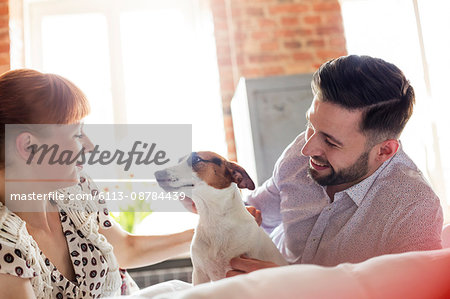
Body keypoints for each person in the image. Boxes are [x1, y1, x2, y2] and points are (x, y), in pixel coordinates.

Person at [227, 55, 443, 276]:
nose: (307, 149)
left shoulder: (414, 209)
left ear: (384, 151)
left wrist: (289, 288)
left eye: (330, 142)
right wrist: (229, 211)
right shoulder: (301, 150)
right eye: (310, 125)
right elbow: (258, 215)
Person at [0, 69, 194, 298]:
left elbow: (125, 249)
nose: (90, 146)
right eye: (76, 134)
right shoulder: (5, 245)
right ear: (29, 147)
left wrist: (216, 229)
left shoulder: (76, 190)